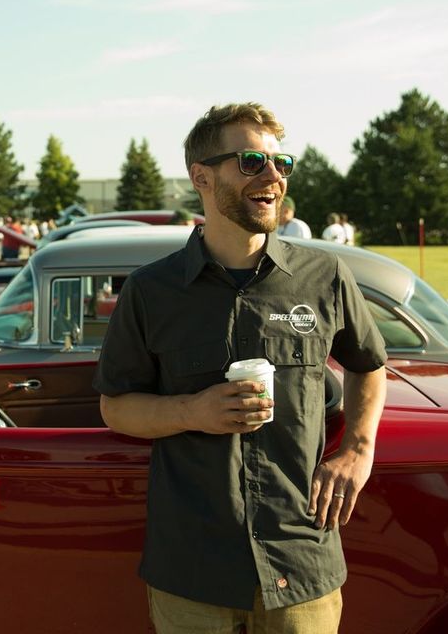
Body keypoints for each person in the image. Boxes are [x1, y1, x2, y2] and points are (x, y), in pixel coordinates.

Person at [94, 103, 387, 633]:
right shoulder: (151, 291)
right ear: (202, 177)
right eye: (252, 161)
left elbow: (370, 364)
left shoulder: (323, 275)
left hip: (301, 559)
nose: (273, 176)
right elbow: (116, 407)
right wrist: (193, 410)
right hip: (193, 570)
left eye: (281, 163)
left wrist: (357, 452)